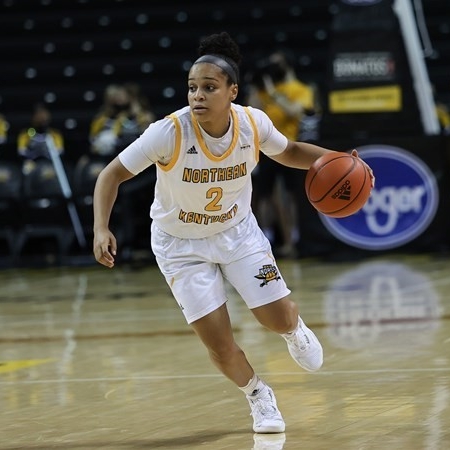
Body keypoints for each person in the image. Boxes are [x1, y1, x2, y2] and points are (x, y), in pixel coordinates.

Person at [93, 32, 374, 434]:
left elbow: (291, 151)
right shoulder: (168, 132)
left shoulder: (251, 123)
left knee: (276, 318)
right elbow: (111, 175)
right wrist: (100, 227)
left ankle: (294, 331)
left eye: (209, 88)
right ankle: (259, 396)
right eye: (192, 88)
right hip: (179, 246)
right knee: (219, 344)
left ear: (232, 92)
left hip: (238, 233)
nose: (198, 96)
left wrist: (344, 161)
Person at [246, 50, 318, 257]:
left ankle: (293, 238)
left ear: (288, 64)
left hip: (289, 148)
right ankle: (266, 237)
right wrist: (255, 85)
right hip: (264, 150)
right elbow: (251, 110)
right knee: (265, 196)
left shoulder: (301, 89)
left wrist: (273, 92)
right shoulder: (264, 89)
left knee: (290, 196)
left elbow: (294, 111)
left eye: (277, 63)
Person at [17, 103, 65, 172]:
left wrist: (46, 153)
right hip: (31, 163)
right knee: (26, 169)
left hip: (50, 163)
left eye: (43, 114)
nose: (41, 117)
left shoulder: (55, 134)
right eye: (38, 114)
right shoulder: (25, 134)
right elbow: (21, 151)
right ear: (33, 117)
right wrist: (34, 154)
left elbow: (60, 151)